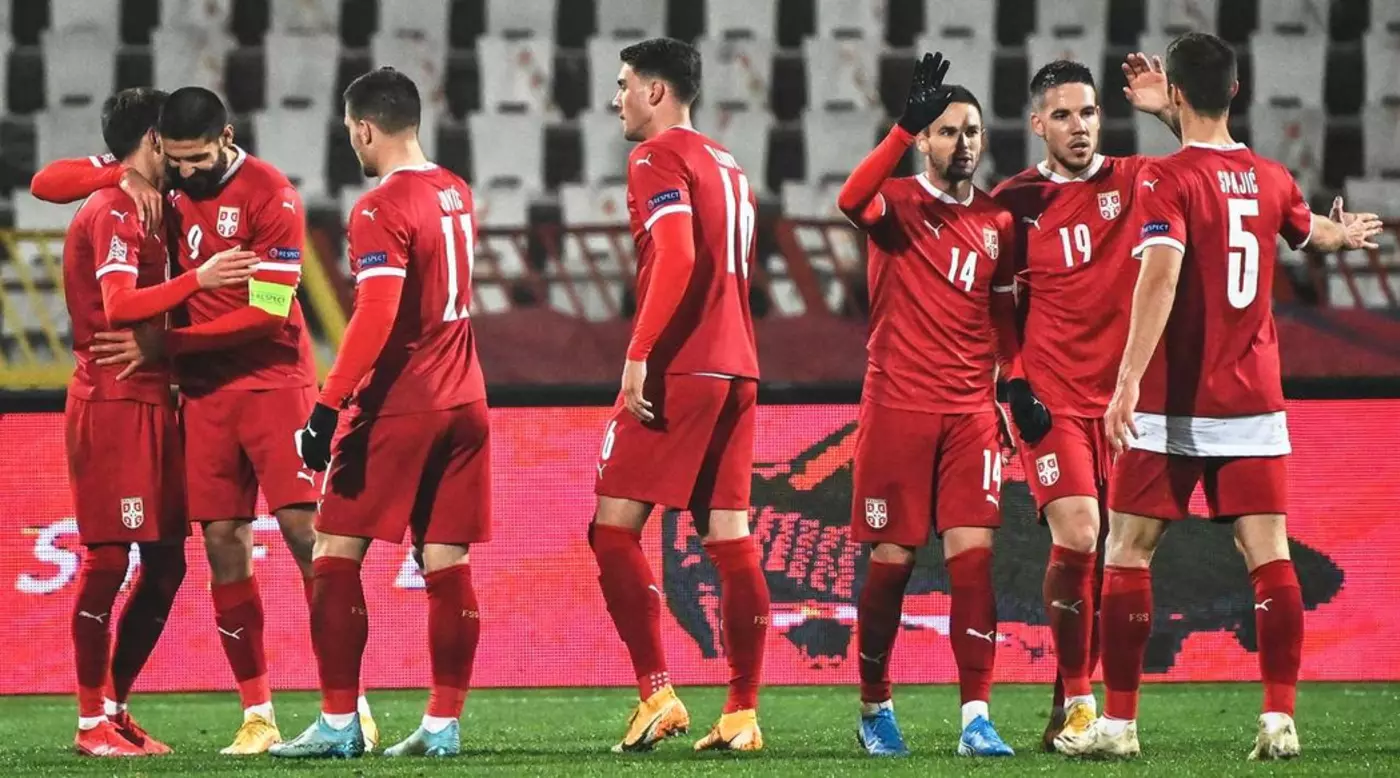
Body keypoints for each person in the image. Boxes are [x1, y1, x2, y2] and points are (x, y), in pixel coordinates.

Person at [1061, 31, 1384, 760]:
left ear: (1176, 92)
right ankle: (1278, 718)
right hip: (1254, 403)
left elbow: (1160, 274)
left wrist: (1125, 381)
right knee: (1268, 553)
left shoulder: (1162, 178)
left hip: (1172, 403)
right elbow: (1306, 231)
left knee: (1128, 551)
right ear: (1236, 90)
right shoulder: (1272, 178)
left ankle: (1119, 725)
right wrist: (1344, 234)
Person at [29, 87, 378, 754]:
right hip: (201, 395)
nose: (186, 171)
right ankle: (257, 715)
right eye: (176, 159)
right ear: (159, 145)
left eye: (197, 158)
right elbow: (48, 182)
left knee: (307, 536)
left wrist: (168, 345)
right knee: (220, 542)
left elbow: (270, 312)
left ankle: (349, 705)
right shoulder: (156, 186)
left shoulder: (272, 195)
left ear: (227, 137)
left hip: (272, 383)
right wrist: (123, 174)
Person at [268, 67, 491, 760]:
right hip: (466, 399)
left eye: (350, 132)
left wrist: (327, 406)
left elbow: (376, 314)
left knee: (334, 553)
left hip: (401, 404)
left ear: (364, 128)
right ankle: (442, 726)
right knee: (447, 560)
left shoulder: (378, 208)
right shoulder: (455, 190)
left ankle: (339, 723)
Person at [57, 87, 258, 757]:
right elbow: (118, 305)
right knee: (110, 559)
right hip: (114, 401)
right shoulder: (115, 208)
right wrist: (200, 279)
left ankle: (114, 708)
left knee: (167, 565)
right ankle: (90, 722)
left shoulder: (157, 199)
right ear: (152, 140)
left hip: (158, 401)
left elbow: (49, 181)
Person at [989, 55, 1176, 750]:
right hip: (1052, 399)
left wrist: (1167, 114)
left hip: (1125, 403)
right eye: (1063, 115)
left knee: (1109, 558)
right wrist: (1013, 381)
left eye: (1089, 112)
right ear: (1038, 124)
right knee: (1078, 534)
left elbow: (1210, 163)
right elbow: (998, 306)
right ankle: (1077, 699)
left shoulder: (1138, 179)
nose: (1079, 126)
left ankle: (1066, 699)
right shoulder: (1013, 202)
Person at [590, 37, 770, 753]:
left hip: (683, 366)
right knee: (729, 537)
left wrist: (638, 354)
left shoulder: (655, 157)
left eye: (624, 85)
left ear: (656, 92)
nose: (617, 99)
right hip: (739, 365)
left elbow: (678, 254)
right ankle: (742, 713)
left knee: (612, 529)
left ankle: (657, 693)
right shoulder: (728, 163)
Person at [837, 52, 1020, 758]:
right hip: (898, 407)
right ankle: (875, 706)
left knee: (974, 559)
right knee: (892, 561)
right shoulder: (895, 204)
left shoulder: (997, 219)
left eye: (971, 130)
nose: (962, 142)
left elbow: (1001, 316)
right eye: (946, 131)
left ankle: (976, 717)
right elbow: (849, 199)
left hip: (970, 412)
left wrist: (1014, 383)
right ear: (923, 141)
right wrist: (897, 128)